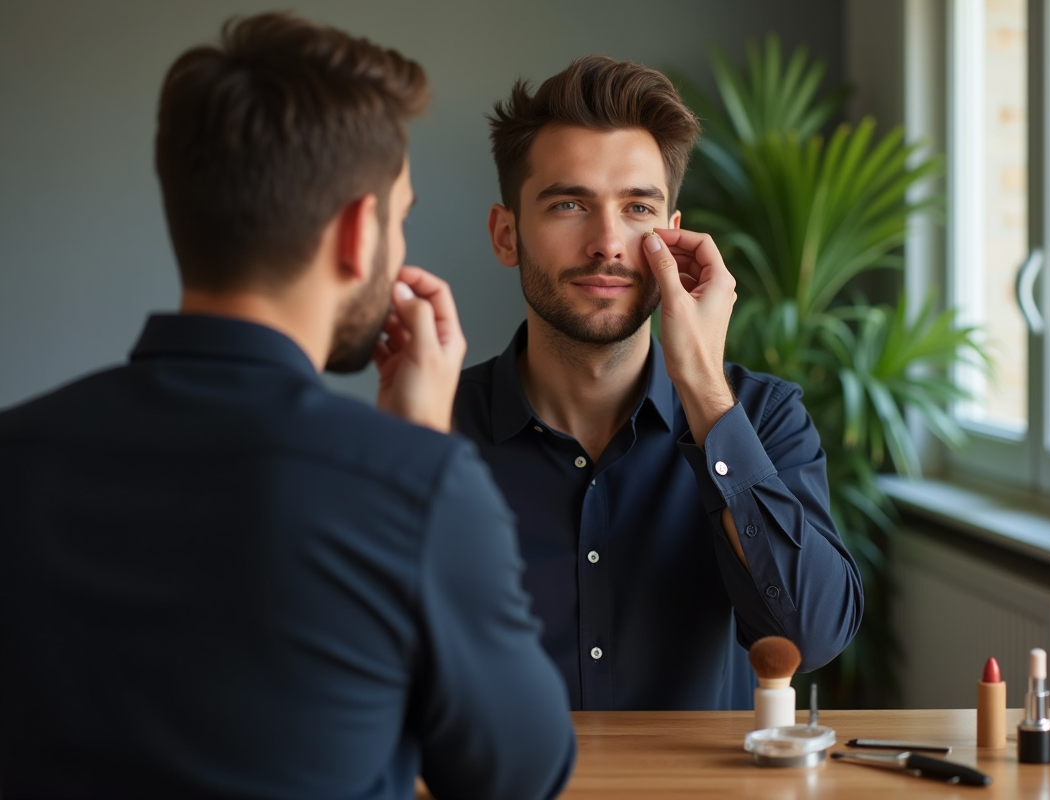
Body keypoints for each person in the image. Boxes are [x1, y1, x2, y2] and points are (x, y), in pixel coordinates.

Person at [0, 13, 574, 800]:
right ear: (354, 234)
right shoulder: (417, 487)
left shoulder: (14, 454)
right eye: (398, 220)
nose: (400, 251)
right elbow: (521, 775)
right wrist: (419, 451)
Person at [451, 56, 864, 711]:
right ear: (507, 235)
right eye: (568, 204)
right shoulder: (435, 426)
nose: (608, 242)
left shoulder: (762, 416)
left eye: (637, 207)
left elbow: (813, 637)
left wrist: (702, 388)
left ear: (672, 237)